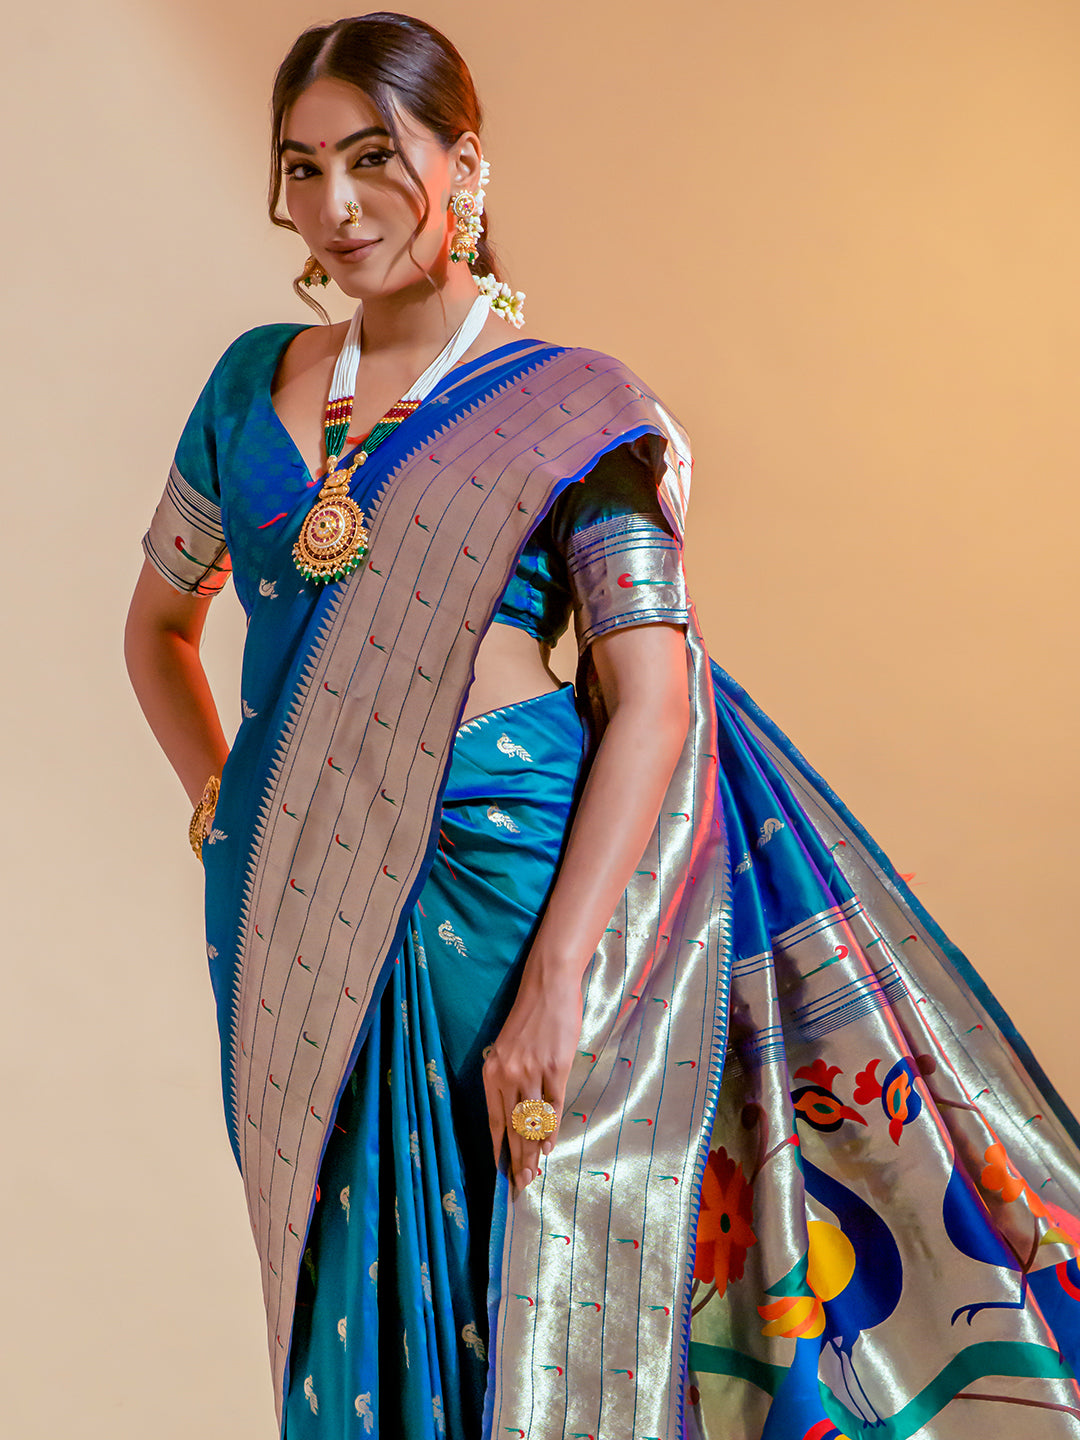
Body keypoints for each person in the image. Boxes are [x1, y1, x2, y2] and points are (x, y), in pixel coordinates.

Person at [125, 13, 1080, 1440]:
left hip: (502, 898)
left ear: (465, 164)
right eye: (305, 168)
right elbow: (157, 630)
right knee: (336, 1302)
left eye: (377, 159)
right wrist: (224, 800)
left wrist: (565, 975)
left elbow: (655, 690)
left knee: (522, 1297)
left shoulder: (568, 409)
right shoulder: (248, 387)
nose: (337, 207)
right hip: (288, 918)